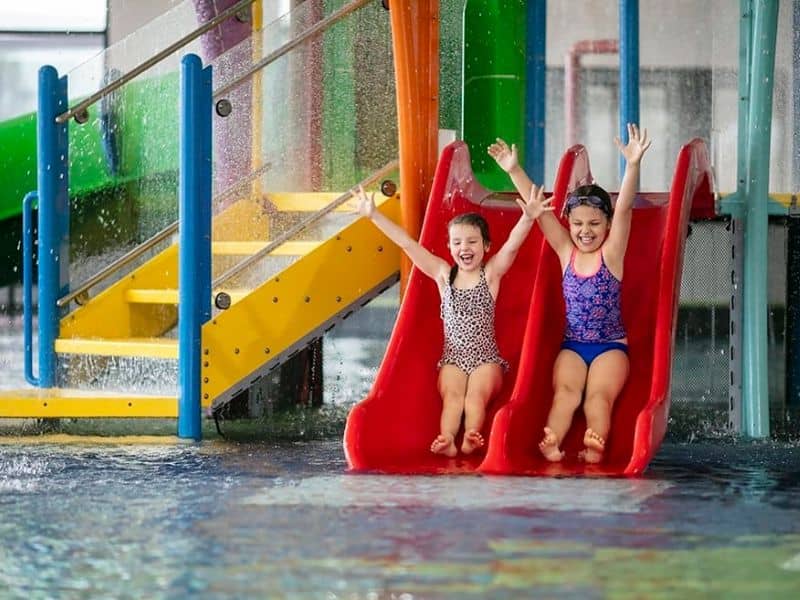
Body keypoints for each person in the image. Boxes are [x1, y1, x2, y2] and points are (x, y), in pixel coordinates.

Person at [489, 123, 651, 463]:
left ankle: (596, 441)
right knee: (564, 394)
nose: (585, 231)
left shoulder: (612, 255)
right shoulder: (566, 253)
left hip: (610, 347)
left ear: (606, 226)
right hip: (573, 346)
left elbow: (623, 209)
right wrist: (514, 170)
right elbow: (539, 210)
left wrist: (633, 165)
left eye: (594, 224)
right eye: (577, 224)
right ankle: (553, 442)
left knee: (597, 399)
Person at [354, 178, 545, 457]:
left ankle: (470, 435)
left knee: (474, 398)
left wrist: (528, 218)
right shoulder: (444, 275)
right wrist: (374, 216)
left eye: (472, 242)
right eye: (457, 242)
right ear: (449, 246)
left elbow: (512, 248)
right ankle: (446, 439)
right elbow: (408, 243)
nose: (464, 248)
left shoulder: (490, 275)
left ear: (486, 246)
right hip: (453, 360)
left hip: (486, 360)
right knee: (453, 399)